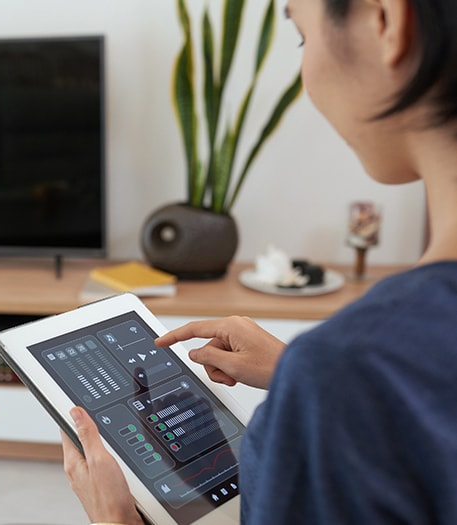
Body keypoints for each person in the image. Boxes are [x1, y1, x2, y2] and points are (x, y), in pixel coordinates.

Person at [62, 0, 457, 523]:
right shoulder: (363, 371)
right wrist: (301, 379)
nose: (305, 69)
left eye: (301, 35)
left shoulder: (356, 368)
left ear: (384, 21)